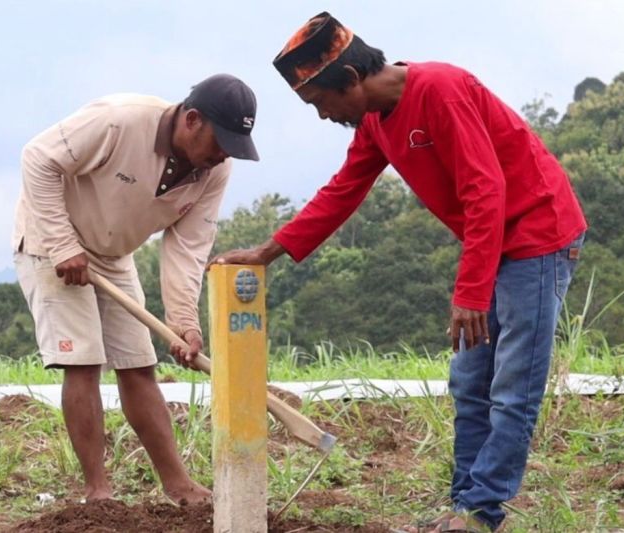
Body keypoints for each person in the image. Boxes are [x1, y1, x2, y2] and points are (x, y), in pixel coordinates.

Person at [210, 12, 586, 532]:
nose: (322, 116)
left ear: (349, 79)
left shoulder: (441, 90)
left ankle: (481, 513)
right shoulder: (373, 122)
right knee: (469, 380)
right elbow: (343, 190)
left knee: (512, 386)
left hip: (538, 236)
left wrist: (471, 293)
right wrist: (267, 252)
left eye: (321, 103)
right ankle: (464, 508)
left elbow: (486, 191)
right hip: (490, 243)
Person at [13, 74, 259, 504]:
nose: (222, 157)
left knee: (138, 364)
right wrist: (63, 244)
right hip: (50, 242)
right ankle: (98, 490)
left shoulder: (213, 171)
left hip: (113, 254)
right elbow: (38, 158)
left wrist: (183, 322)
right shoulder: (119, 120)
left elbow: (187, 247)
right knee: (84, 362)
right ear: (192, 119)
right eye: (219, 143)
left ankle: (178, 484)